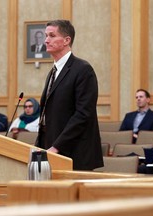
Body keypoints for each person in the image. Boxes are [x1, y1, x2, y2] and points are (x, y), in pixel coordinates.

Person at [36, 20, 103, 171]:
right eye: (46, 35)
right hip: (52, 149)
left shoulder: (83, 70)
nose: (46, 40)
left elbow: (83, 114)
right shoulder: (53, 72)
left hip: (75, 152)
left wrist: (56, 147)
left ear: (67, 40)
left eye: (52, 35)